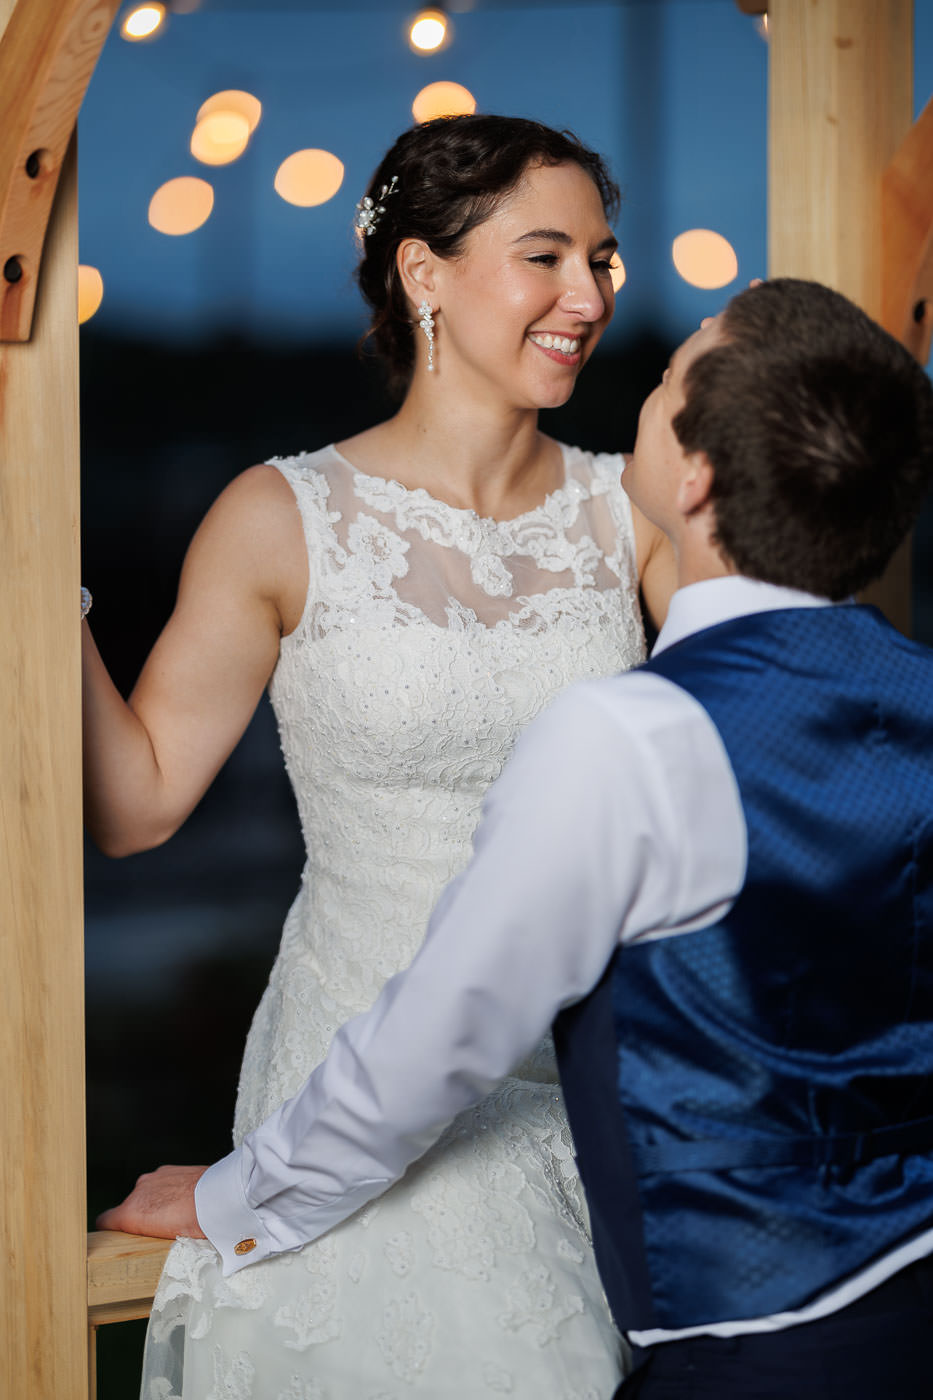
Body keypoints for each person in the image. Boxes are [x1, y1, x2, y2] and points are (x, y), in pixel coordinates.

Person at [106, 277, 933, 1399]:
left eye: (672, 377)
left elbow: (449, 1026)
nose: (632, 357)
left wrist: (237, 1197)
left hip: (750, 1347)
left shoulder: (628, 734)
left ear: (693, 478)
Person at [87, 114, 677, 1397]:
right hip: (342, 1069)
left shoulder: (628, 510)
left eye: (603, 258)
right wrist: (45, 598)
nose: (588, 295)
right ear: (424, 272)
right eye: (545, 255)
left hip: (586, 1086)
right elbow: (134, 806)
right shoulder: (277, 514)